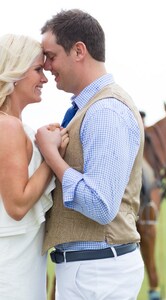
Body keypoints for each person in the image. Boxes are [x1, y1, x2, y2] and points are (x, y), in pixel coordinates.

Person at [35, 9, 145, 300]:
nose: (46, 66)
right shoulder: (91, 108)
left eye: (51, 55)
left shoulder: (105, 111)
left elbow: (100, 205)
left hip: (98, 273)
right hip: (93, 271)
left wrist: (52, 157)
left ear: (79, 50)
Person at [0, 34, 68, 300]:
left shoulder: (13, 125)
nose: (45, 78)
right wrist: (52, 157)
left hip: (20, 259)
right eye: (38, 69)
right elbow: (16, 205)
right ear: (14, 73)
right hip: (11, 266)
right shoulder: (7, 126)